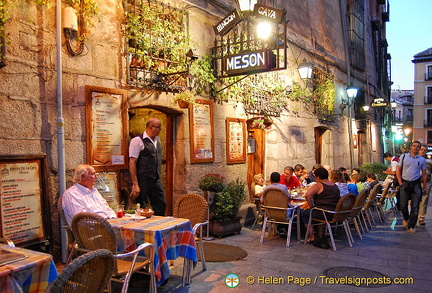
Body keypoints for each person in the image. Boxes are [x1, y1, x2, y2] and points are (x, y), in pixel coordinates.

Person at [129, 118, 166, 216]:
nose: (160, 130)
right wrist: (135, 184)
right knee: (142, 206)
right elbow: (132, 162)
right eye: (159, 127)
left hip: (156, 178)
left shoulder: (157, 140)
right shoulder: (137, 141)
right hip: (143, 178)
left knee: (161, 204)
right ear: (151, 127)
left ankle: (158, 228)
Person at [302, 168, 340, 247]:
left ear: (318, 177)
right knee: (311, 212)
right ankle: (318, 233)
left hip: (322, 213)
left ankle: (311, 235)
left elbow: (308, 195)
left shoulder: (319, 185)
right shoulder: (335, 186)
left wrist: (312, 206)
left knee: (304, 212)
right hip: (333, 213)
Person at [396, 141, 427, 233]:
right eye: (414, 146)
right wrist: (400, 182)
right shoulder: (404, 156)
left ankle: (411, 226)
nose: (416, 148)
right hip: (405, 182)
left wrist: (424, 186)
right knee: (403, 205)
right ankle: (406, 218)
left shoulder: (422, 159)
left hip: (416, 183)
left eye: (418, 146)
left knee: (415, 206)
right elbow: (398, 170)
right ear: (411, 147)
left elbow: (424, 174)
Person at [419, 145, 431, 225]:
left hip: (427, 182)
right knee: (414, 200)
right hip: (415, 182)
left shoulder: (429, 161)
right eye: (422, 149)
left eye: (425, 150)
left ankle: (421, 218)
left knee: (424, 200)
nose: (423, 151)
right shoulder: (413, 159)